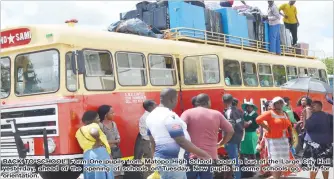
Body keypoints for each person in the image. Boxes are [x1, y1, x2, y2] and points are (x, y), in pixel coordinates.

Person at [146, 88, 211, 179]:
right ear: (172, 99)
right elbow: (181, 141)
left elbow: (152, 141)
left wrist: (154, 159)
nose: (177, 101)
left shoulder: (151, 116)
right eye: (176, 98)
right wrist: (204, 154)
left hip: (162, 159)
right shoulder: (169, 116)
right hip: (173, 162)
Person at [181, 93, 234, 179]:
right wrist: (221, 143)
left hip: (192, 156)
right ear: (207, 102)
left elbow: (179, 129)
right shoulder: (217, 114)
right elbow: (230, 131)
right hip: (210, 156)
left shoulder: (187, 113)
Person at [256, 97, 294, 179]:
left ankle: (281, 176)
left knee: (284, 160)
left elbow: (289, 126)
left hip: (284, 140)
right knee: (275, 161)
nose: (279, 104)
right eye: (277, 103)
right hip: (273, 141)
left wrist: (291, 138)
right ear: (274, 104)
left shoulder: (284, 113)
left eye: (281, 102)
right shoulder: (270, 113)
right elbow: (258, 119)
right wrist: (266, 127)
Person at [75, 111, 114, 179]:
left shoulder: (78, 131)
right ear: (92, 120)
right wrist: (98, 141)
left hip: (87, 155)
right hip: (99, 153)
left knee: (91, 175)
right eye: (97, 118)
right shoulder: (95, 125)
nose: (99, 120)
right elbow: (93, 131)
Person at [303, 101, 333, 179]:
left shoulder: (328, 116)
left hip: (322, 143)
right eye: (311, 106)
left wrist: (307, 116)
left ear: (320, 106)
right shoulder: (328, 116)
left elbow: (308, 127)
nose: (312, 107)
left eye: (314, 106)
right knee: (321, 164)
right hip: (317, 143)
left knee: (320, 164)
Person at [97, 105, 123, 179]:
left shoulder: (113, 124)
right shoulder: (100, 126)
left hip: (115, 152)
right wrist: (115, 141)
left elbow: (118, 137)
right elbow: (101, 141)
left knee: (118, 174)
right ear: (105, 115)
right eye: (112, 113)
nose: (114, 114)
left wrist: (114, 141)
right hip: (106, 153)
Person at [222, 94, 244, 179]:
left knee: (234, 160)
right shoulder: (240, 111)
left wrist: (225, 140)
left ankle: (236, 177)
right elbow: (241, 124)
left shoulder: (228, 112)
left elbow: (230, 128)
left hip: (231, 139)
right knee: (236, 159)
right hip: (238, 138)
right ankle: (237, 176)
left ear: (223, 101)